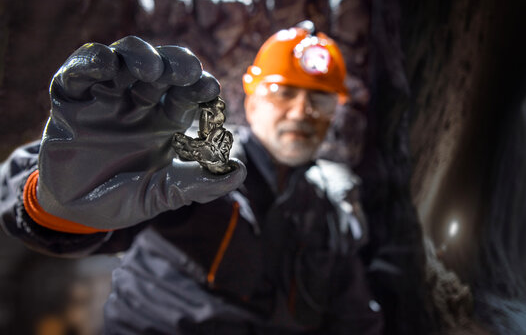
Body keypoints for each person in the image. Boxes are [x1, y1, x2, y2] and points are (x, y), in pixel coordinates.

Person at [0, 22, 384, 334]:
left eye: (320, 100)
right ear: (251, 100)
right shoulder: (193, 166)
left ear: (335, 113)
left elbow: (354, 317)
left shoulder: (333, 212)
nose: (302, 111)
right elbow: (69, 222)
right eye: (283, 92)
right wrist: (52, 201)